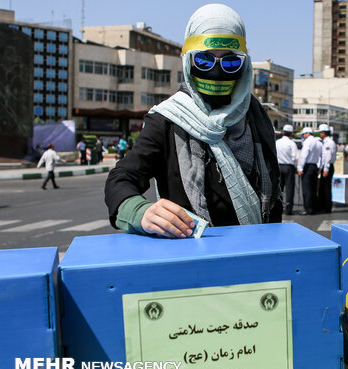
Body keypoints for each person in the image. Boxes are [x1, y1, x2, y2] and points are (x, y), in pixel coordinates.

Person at [104, 4, 282, 238]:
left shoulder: (256, 115)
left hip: (259, 253)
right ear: (188, 61)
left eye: (230, 62)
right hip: (194, 257)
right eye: (205, 61)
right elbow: (121, 179)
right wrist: (140, 212)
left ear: (245, 64)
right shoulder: (168, 120)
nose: (217, 71)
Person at [297, 127, 322, 215]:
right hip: (314, 166)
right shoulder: (318, 142)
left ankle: (308, 208)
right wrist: (320, 166)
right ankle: (314, 207)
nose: (303, 136)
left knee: (306, 189)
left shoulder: (307, 142)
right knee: (313, 188)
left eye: (303, 134)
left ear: (307, 133)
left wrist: (300, 168)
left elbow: (304, 156)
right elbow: (321, 155)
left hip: (307, 166)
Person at [276, 124, 298, 215]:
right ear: (291, 134)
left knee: (279, 189)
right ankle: (288, 210)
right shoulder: (292, 143)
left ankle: (278, 208)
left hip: (278, 166)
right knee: (289, 189)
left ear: (283, 132)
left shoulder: (277, 142)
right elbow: (295, 158)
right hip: (289, 167)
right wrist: (296, 167)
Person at [317, 123, 337, 213]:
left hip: (328, 167)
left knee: (326, 188)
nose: (319, 134)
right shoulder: (326, 142)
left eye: (320, 133)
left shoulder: (328, 143)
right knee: (322, 188)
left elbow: (328, 157)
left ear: (324, 133)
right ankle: (322, 206)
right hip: (325, 167)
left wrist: (326, 169)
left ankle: (327, 207)